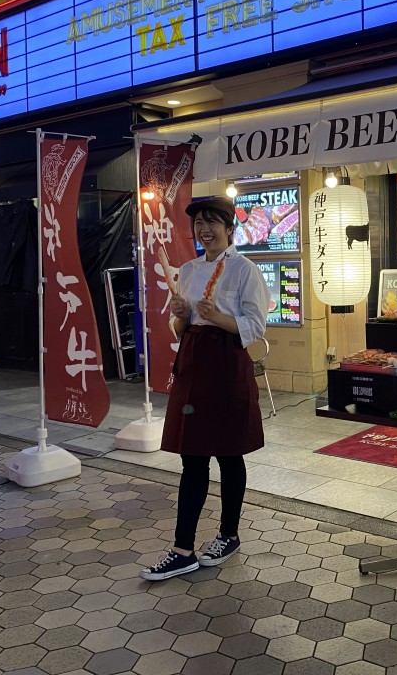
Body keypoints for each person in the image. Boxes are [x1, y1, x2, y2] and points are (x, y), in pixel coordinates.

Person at [142, 196, 269, 581]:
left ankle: (228, 535)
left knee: (230, 455)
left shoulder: (246, 270)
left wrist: (221, 317)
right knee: (192, 457)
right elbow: (180, 328)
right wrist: (181, 317)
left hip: (227, 365)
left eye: (212, 222)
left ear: (230, 228)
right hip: (194, 366)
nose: (204, 229)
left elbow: (256, 327)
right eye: (199, 223)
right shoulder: (188, 270)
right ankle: (183, 548)